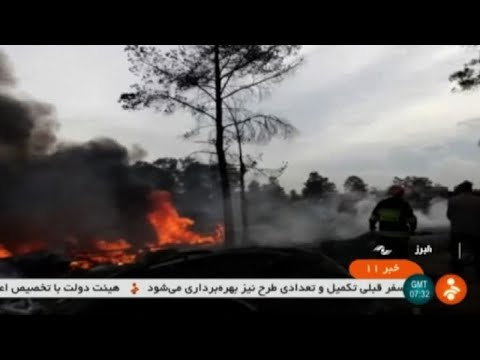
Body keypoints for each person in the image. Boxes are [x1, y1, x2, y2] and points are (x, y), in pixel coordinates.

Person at [369, 185, 417, 258]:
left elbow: (373, 218)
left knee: (383, 258)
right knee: (402, 258)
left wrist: (372, 228)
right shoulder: (404, 204)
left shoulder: (382, 203)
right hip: (400, 237)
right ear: (402, 194)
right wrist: (412, 230)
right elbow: (412, 220)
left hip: (384, 236)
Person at [447, 181, 480, 276]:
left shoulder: (453, 200)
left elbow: (449, 215)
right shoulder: (478, 200)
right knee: (477, 251)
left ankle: (457, 272)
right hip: (475, 232)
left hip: (458, 232)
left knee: (457, 252)